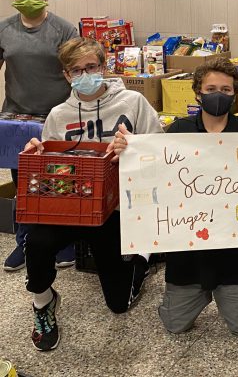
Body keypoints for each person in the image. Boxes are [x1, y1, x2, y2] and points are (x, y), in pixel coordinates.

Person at [113, 57, 238, 338]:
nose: (218, 95)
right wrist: (128, 148)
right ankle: (195, 294)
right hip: (188, 254)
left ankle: (230, 293)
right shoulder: (179, 130)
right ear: (197, 92)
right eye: (210, 89)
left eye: (226, 90)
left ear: (235, 94)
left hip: (235, 255)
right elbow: (154, 171)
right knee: (175, 325)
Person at [23, 37, 163, 351]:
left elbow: (160, 150)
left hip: (116, 208)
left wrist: (134, 147)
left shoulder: (133, 103)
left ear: (103, 66)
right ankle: (43, 303)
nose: (85, 75)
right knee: (37, 240)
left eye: (91, 67)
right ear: (67, 75)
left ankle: (141, 256)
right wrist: (39, 155)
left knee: (119, 304)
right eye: (76, 70)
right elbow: (51, 171)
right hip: (73, 205)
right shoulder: (59, 115)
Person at [0, 0, 78, 272]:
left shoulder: (63, 30)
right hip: (16, 116)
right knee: (25, 183)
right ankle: (25, 242)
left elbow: (78, 71)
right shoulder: (4, 29)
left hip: (58, 116)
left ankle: (65, 239)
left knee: (61, 179)